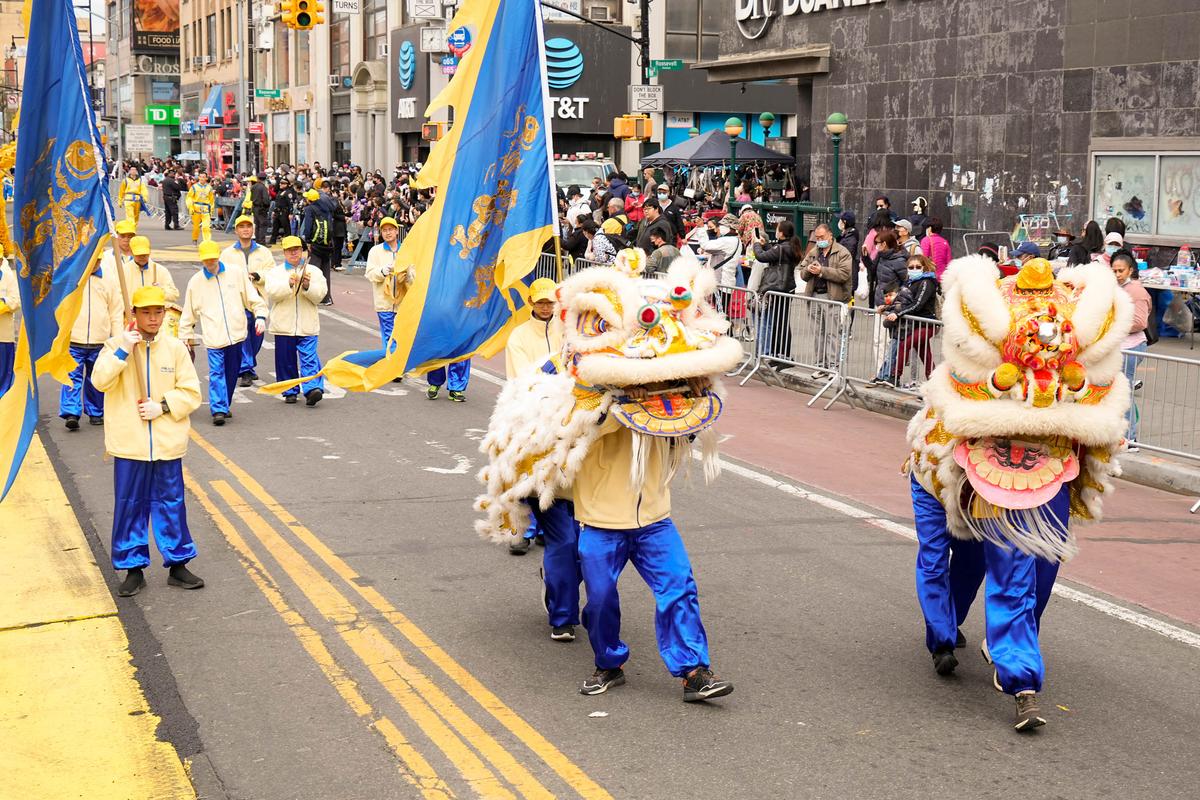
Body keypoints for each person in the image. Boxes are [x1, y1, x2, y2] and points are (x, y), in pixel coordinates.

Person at [575, 374, 734, 702]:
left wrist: (691, 398)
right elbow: (585, 428)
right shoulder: (587, 399)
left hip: (654, 520)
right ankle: (608, 664)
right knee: (600, 598)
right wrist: (623, 399)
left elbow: (683, 433)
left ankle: (694, 672)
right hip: (601, 521)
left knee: (680, 586)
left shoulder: (661, 402)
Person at [89, 285, 204, 598]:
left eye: (158, 312)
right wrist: (123, 350)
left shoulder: (175, 348)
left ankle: (178, 564)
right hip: (130, 445)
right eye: (146, 312)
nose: (153, 318)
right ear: (134, 314)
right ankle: (133, 568)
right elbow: (99, 381)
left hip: (167, 443)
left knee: (172, 504)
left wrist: (163, 405)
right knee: (129, 505)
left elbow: (192, 392)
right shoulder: (115, 345)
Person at [178, 240, 268, 426]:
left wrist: (260, 316)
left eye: (213, 258)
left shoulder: (236, 274)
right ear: (201, 260)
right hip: (214, 338)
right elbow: (189, 313)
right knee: (217, 372)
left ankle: (224, 403)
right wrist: (185, 335)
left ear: (218, 256)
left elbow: (253, 298)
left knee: (231, 372)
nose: (210, 263)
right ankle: (218, 408)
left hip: (236, 335)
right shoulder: (196, 282)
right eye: (206, 260)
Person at [61, 256, 124, 430]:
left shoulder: (109, 279)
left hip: (100, 340)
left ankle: (96, 411)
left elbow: (116, 312)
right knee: (71, 376)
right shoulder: (73, 277)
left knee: (96, 378)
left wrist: (117, 338)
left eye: (97, 260)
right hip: (74, 339)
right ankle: (71, 412)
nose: (93, 263)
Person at [265, 236, 327, 407]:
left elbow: (320, 295)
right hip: (284, 325)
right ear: (284, 252)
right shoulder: (275, 273)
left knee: (309, 358)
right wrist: (289, 284)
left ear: (302, 250)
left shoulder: (314, 271)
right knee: (285, 360)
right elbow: (272, 293)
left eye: (297, 249)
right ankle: (290, 390)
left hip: (308, 324)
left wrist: (307, 286)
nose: (294, 253)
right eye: (290, 250)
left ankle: (312, 389)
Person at [221, 216, 276, 387]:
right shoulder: (228, 253)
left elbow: (272, 273)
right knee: (243, 335)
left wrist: (258, 276)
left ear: (252, 229)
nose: (245, 229)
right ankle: (245, 370)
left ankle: (248, 366)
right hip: (238, 300)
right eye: (241, 227)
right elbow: (222, 275)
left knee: (256, 337)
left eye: (248, 226)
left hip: (258, 299)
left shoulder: (263, 252)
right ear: (236, 230)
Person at [796, 223, 853, 380]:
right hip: (814, 295)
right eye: (817, 238)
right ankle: (820, 365)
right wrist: (808, 270)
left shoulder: (842, 252)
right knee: (818, 333)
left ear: (830, 235)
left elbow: (844, 274)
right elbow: (802, 272)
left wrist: (822, 271)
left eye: (821, 237)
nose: (819, 240)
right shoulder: (814, 252)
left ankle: (834, 367)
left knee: (832, 333)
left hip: (832, 297)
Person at [1112, 251, 1151, 444]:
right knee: (1120, 391)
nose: (1117, 274)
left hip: (1132, 346)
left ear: (1130, 270)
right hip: (1120, 347)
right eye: (1115, 270)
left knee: (1124, 391)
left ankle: (1130, 438)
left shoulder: (1136, 290)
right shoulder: (1117, 288)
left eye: (1121, 270)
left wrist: (1112, 325)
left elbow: (1140, 321)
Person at [751, 220, 802, 361]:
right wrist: (765, 245)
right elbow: (773, 254)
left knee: (780, 322)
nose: (776, 232)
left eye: (778, 229)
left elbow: (761, 256)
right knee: (780, 321)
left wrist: (756, 244)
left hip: (779, 287)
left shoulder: (782, 248)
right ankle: (779, 353)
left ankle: (783, 354)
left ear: (782, 233)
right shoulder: (789, 247)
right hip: (787, 288)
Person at [364, 217, 412, 356]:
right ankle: (393, 367)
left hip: (403, 303)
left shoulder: (407, 250)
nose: (388, 233)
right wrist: (383, 271)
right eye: (384, 230)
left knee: (402, 335)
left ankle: (397, 364)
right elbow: (370, 274)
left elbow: (415, 274)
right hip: (384, 303)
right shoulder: (375, 251)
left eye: (390, 229)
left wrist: (406, 276)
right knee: (389, 336)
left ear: (397, 231)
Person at [890, 253, 939, 388]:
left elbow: (918, 304)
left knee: (904, 345)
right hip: (917, 324)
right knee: (925, 354)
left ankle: (894, 376)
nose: (914, 269)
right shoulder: (911, 282)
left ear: (924, 267)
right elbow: (903, 301)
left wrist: (898, 314)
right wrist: (888, 308)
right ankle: (935, 381)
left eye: (918, 266)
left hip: (928, 324)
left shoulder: (927, 282)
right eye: (911, 267)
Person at [300, 188, 337, 306]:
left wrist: (308, 241)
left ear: (309, 199)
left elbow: (308, 225)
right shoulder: (327, 209)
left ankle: (314, 296)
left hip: (316, 244)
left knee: (314, 270)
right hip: (327, 243)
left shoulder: (310, 209)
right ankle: (327, 297)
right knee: (326, 271)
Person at [122, 235, 179, 304]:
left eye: (145, 254)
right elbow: (116, 296)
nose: (142, 257)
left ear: (150, 251)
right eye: (138, 254)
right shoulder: (123, 271)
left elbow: (174, 295)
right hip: (130, 312)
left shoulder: (161, 270)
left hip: (154, 312)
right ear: (131, 252)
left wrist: (160, 290)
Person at [0, 254, 18, 397]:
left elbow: (16, 300)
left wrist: (3, 304)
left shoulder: (8, 276)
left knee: (4, 372)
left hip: (4, 335)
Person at [185, 172, 216, 245]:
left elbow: (211, 200)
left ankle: (207, 241)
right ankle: (195, 239)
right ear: (199, 178)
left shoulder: (209, 188)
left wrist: (211, 209)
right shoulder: (194, 187)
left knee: (206, 226)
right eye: (201, 177)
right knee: (196, 226)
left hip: (205, 209)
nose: (202, 178)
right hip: (196, 208)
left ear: (206, 178)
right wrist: (190, 207)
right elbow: (189, 197)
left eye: (204, 177)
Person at [250, 172, 271, 244]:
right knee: (263, 225)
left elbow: (251, 198)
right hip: (262, 209)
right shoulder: (263, 188)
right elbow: (266, 200)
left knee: (257, 225)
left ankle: (258, 241)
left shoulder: (253, 187)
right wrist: (267, 206)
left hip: (255, 207)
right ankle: (262, 242)